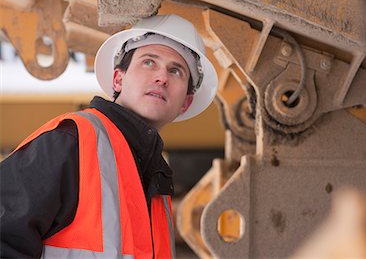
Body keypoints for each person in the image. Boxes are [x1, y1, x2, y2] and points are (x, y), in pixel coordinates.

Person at [0, 14, 218, 258]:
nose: (161, 77)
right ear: (118, 78)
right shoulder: (72, 140)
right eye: (149, 62)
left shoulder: (157, 178)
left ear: (185, 104)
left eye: (176, 71)